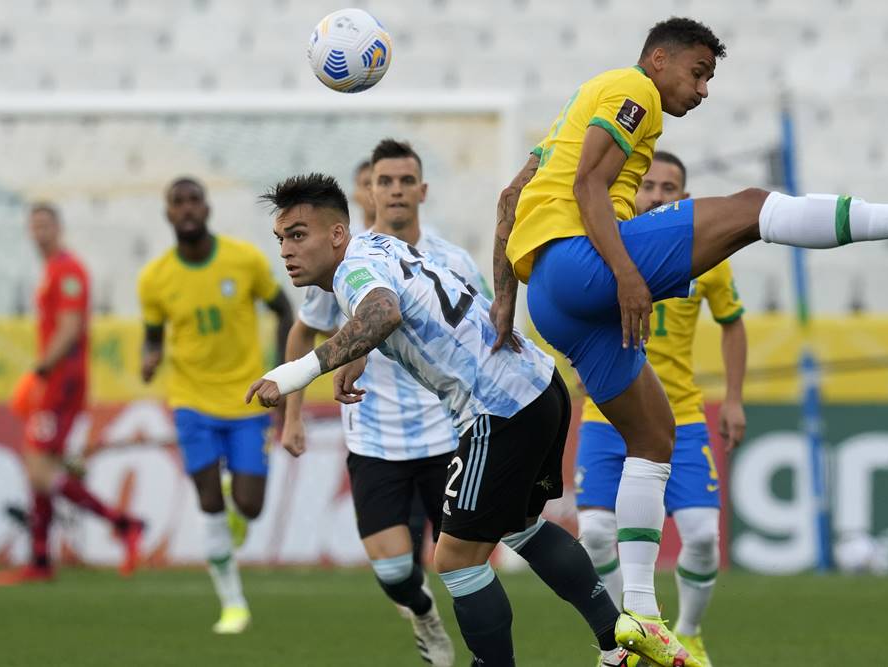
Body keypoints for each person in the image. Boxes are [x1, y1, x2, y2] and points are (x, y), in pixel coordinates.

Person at [490, 17, 888, 663]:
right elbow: (588, 186)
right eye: (698, 73)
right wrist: (625, 275)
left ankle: (637, 614)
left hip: (550, 300)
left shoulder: (569, 115)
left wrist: (506, 297)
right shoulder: (632, 89)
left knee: (653, 435)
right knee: (754, 207)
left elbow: (510, 197)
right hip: (581, 263)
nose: (702, 91)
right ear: (659, 59)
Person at [249, 173, 633, 667]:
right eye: (281, 238)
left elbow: (383, 312)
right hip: (538, 384)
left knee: (454, 559)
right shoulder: (378, 244)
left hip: (498, 407)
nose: (286, 249)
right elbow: (403, 304)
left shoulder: (350, 272)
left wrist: (295, 374)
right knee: (522, 527)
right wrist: (360, 350)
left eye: (299, 234)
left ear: (338, 233)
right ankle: (619, 645)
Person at [279, 140, 486, 667]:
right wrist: (294, 415)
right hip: (374, 437)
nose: (394, 190)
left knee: (463, 567)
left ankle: (490, 653)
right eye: (383, 181)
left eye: (404, 181)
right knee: (395, 573)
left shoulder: (451, 260)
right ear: (367, 192)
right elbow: (304, 333)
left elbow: (484, 329)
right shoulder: (342, 261)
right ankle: (422, 616)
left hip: (447, 431)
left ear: (421, 190)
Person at [575, 151, 744, 667]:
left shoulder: (706, 256)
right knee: (596, 536)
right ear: (631, 192)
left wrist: (734, 397)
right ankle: (627, 630)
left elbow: (732, 322)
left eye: (668, 188)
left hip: (684, 416)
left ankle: (688, 632)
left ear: (684, 199)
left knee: (699, 538)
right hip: (607, 416)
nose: (656, 195)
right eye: (647, 186)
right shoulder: (603, 246)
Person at [137, 177, 293, 634]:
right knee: (207, 497)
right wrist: (150, 360)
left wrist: (279, 371)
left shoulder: (242, 260)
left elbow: (283, 309)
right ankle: (233, 604)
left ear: (206, 209)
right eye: (177, 202)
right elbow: (152, 338)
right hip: (191, 402)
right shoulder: (155, 279)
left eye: (193, 201)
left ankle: (235, 506)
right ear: (168, 214)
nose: (186, 209)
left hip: (245, 401)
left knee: (250, 505)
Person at [0, 203, 144, 587]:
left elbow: (71, 327)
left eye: (46, 224)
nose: (40, 231)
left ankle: (123, 524)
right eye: (35, 225)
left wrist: (40, 370)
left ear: (58, 228)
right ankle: (41, 560)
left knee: (39, 469)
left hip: (62, 381)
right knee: (41, 466)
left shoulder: (68, 270)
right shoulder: (51, 271)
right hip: (56, 380)